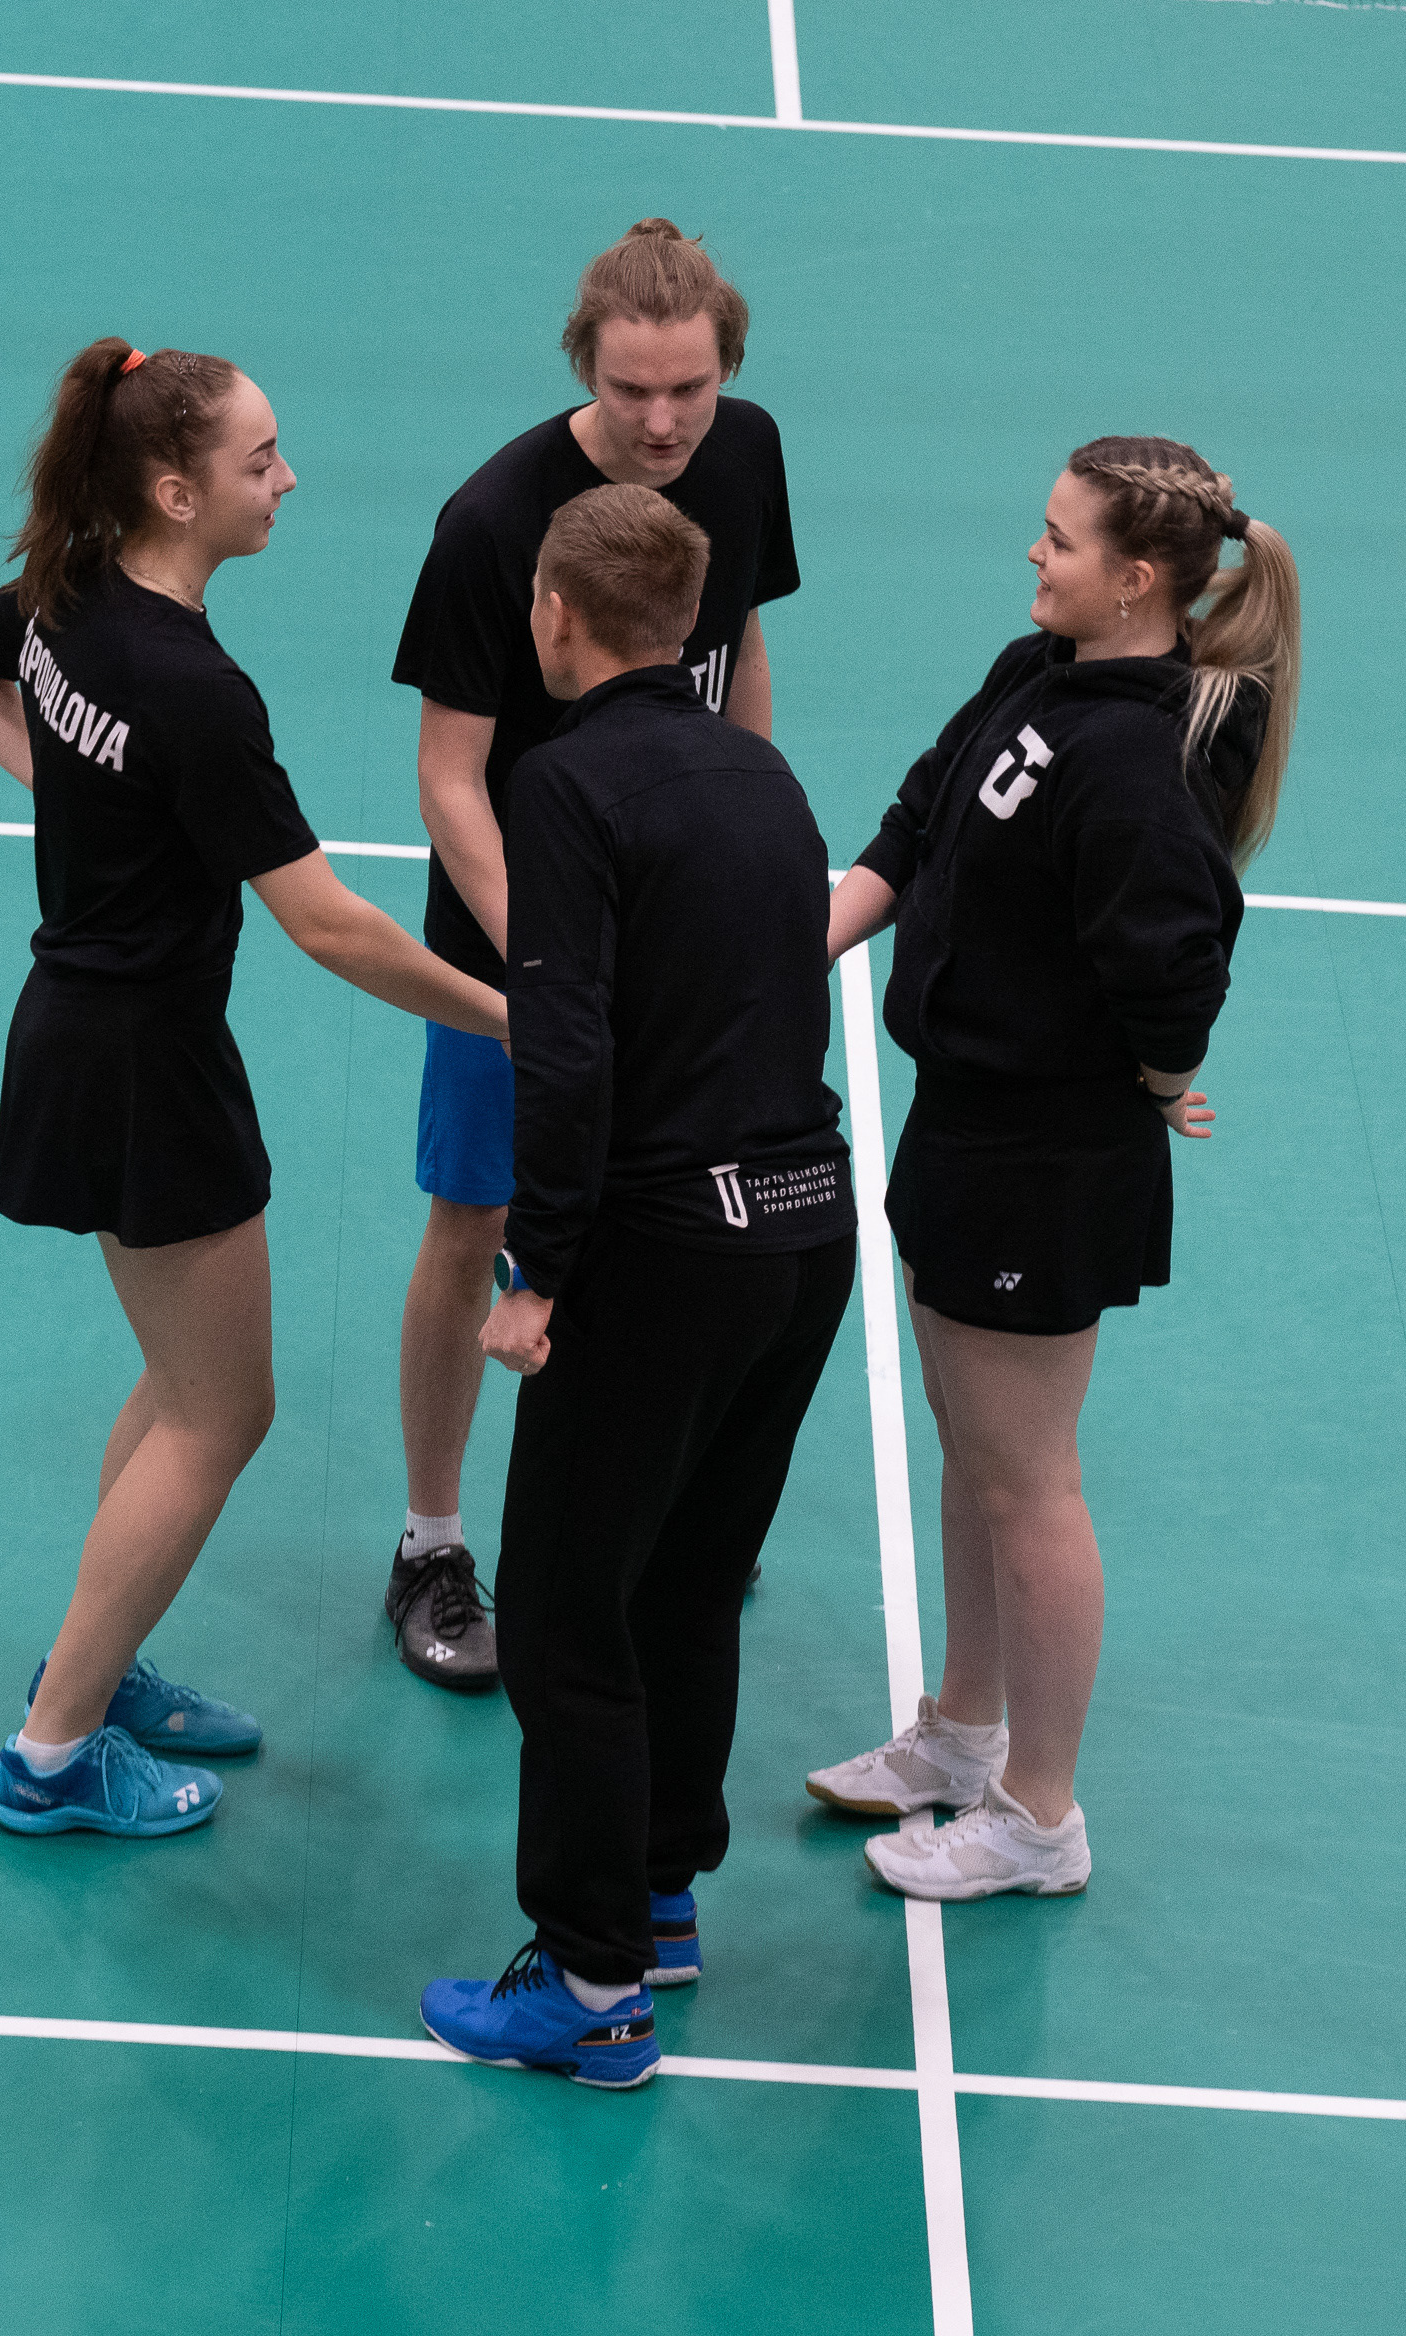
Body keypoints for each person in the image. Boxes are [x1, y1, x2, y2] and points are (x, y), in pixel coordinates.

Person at [0, 338, 507, 1841]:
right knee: (223, 1412)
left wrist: (87, 804)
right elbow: (330, 927)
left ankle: (93, 1671)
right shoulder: (194, 689)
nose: (288, 478)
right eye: (260, 459)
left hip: (82, 1039)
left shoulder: (64, 594)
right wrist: (516, 1018)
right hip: (146, 1069)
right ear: (177, 492)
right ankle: (51, 1756)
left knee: (180, 1389)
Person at [807, 435, 1299, 1900]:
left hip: (1045, 1157)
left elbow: (1179, 968)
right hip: (964, 1121)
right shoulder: (1041, 672)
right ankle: (962, 1736)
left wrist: (1157, 1080)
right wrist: (799, 941)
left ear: (1136, 579)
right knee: (973, 1443)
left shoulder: (1139, 764)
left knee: (1029, 1483)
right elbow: (921, 815)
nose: (1035, 553)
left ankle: (1039, 1816)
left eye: (1061, 538)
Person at [417, 484, 857, 2088]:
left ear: (555, 616)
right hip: (803, 1236)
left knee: (561, 1615)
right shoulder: (763, 772)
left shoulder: (562, 783)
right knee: (686, 1585)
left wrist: (538, 1269)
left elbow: (567, 1047)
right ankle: (661, 1895)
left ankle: (592, 1983)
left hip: (666, 1256)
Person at [385, 218, 800, 1689]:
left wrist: (752, 836)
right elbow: (450, 782)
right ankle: (433, 1541)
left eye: (690, 388)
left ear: (725, 368)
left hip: (679, 938)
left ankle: (645, 1505)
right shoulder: (494, 524)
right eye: (632, 391)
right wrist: (554, 970)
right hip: (511, 955)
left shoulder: (745, 455)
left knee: (660, 1223)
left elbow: (736, 652)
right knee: (476, 1222)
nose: (665, 422)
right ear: (585, 367)